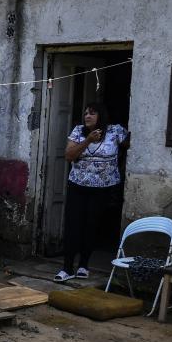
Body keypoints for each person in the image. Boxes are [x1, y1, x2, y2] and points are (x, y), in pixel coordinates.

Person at [55, 103, 129, 282]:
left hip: (103, 188)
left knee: (91, 226)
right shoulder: (79, 131)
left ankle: (83, 266)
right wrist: (87, 140)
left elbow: (129, 145)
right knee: (74, 225)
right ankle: (67, 268)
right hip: (78, 186)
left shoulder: (115, 132)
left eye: (92, 113)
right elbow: (69, 155)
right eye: (86, 113)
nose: (87, 116)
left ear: (101, 116)